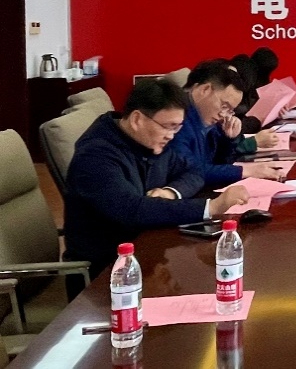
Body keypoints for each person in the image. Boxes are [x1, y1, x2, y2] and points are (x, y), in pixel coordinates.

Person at [63, 80, 250, 279]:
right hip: (106, 273)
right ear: (137, 119)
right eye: (169, 127)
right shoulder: (95, 156)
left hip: (145, 254)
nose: (171, 136)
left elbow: (194, 171)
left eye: (177, 128)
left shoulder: (149, 140)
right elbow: (132, 210)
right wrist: (211, 207)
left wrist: (171, 192)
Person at [168, 60, 280, 189]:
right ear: (205, 89)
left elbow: (220, 162)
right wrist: (245, 171)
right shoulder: (176, 117)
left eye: (230, 110)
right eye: (224, 106)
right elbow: (191, 171)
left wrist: (229, 139)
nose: (224, 114)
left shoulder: (209, 117)